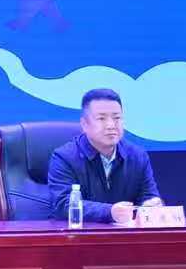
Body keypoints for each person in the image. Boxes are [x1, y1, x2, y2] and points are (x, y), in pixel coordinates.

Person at [47, 88, 163, 224]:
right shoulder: (64, 157)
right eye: (101, 118)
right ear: (84, 124)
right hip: (80, 234)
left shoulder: (138, 156)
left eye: (117, 118)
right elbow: (62, 204)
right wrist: (109, 212)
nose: (111, 125)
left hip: (125, 234)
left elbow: (148, 197)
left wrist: (152, 205)